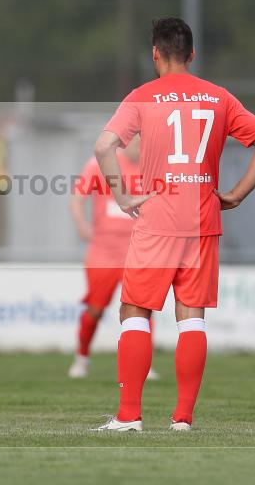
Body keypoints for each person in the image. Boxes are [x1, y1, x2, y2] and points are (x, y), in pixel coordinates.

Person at [93, 18, 255, 431]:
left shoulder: (143, 97)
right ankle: (183, 419)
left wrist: (122, 195)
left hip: (157, 220)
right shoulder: (219, 98)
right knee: (191, 317)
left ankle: (129, 417)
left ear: (155, 54)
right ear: (192, 55)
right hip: (202, 219)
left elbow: (104, 145)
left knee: (135, 311)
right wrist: (237, 192)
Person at [68, 136, 158, 381]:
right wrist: (81, 225)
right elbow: (77, 196)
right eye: (138, 141)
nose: (142, 147)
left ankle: (144, 365)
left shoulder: (152, 167)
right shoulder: (102, 163)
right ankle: (82, 358)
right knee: (95, 308)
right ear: (126, 141)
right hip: (103, 252)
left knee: (142, 307)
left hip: (138, 250)